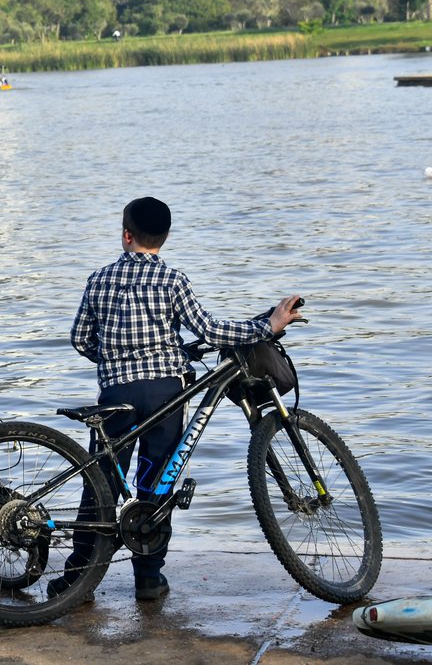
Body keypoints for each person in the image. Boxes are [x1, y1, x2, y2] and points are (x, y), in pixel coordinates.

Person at [53, 196, 302, 602]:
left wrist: (116, 358)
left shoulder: (98, 279)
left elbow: (80, 339)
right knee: (157, 479)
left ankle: (78, 578)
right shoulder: (173, 280)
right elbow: (209, 329)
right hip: (166, 392)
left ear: (126, 235)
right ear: (164, 239)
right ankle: (148, 577)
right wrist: (267, 325)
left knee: (100, 483)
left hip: (116, 394)